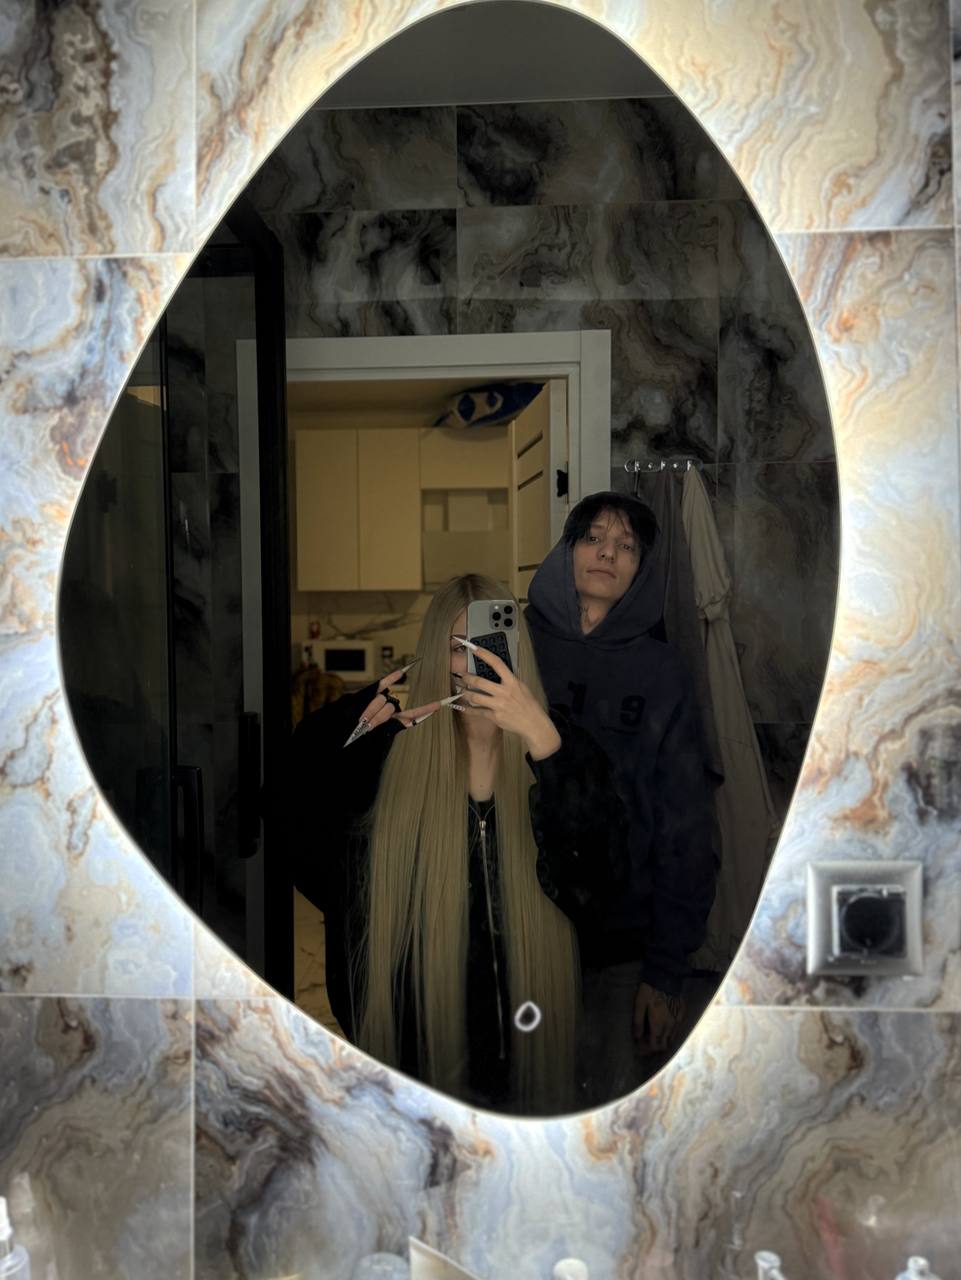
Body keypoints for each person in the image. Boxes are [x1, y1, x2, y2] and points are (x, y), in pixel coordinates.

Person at [289, 574, 623, 1114]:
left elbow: (601, 893)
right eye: (456, 647)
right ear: (434, 657)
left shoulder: (563, 751)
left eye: (488, 644)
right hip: (421, 1067)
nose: (473, 664)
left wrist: (546, 746)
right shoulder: (388, 763)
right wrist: (343, 730)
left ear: (516, 652)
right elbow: (303, 837)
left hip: (534, 1058)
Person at [525, 492, 718, 1102]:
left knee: (608, 1119)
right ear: (566, 550)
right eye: (593, 538)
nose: (608, 553)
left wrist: (666, 971)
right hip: (518, 931)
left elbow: (687, 826)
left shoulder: (662, 673)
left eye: (626, 546)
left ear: (642, 569)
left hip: (622, 945)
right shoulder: (517, 648)